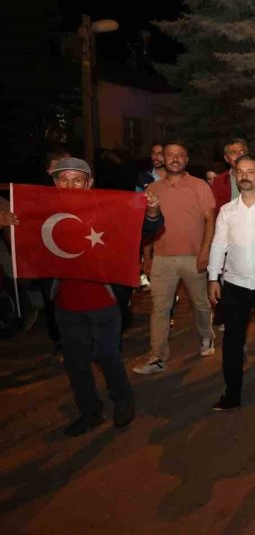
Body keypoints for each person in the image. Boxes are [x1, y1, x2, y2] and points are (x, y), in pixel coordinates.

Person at [15, 158, 165, 436]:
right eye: (63, 179)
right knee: (75, 363)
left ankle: (123, 400)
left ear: (89, 183)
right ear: (54, 183)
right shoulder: (43, 212)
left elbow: (144, 229)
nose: (69, 185)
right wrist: (7, 221)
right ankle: (89, 412)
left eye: (77, 180)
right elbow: (23, 234)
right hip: (65, 304)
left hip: (104, 302)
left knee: (108, 356)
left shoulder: (105, 207)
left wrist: (153, 211)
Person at [133, 140, 218, 374]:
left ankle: (206, 336)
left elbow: (210, 220)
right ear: (163, 159)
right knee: (160, 308)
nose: (175, 159)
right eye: (170, 155)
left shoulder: (199, 185)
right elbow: (146, 227)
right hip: (162, 259)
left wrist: (205, 251)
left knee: (200, 303)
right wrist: (147, 256)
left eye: (180, 155)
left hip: (194, 257)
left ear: (186, 160)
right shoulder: (153, 189)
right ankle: (157, 356)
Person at [207, 155, 255, 411]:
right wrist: (213, 277)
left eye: (251, 171)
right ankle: (232, 393)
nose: (245, 176)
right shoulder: (227, 211)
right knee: (232, 341)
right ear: (234, 176)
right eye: (240, 171)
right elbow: (219, 245)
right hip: (235, 284)